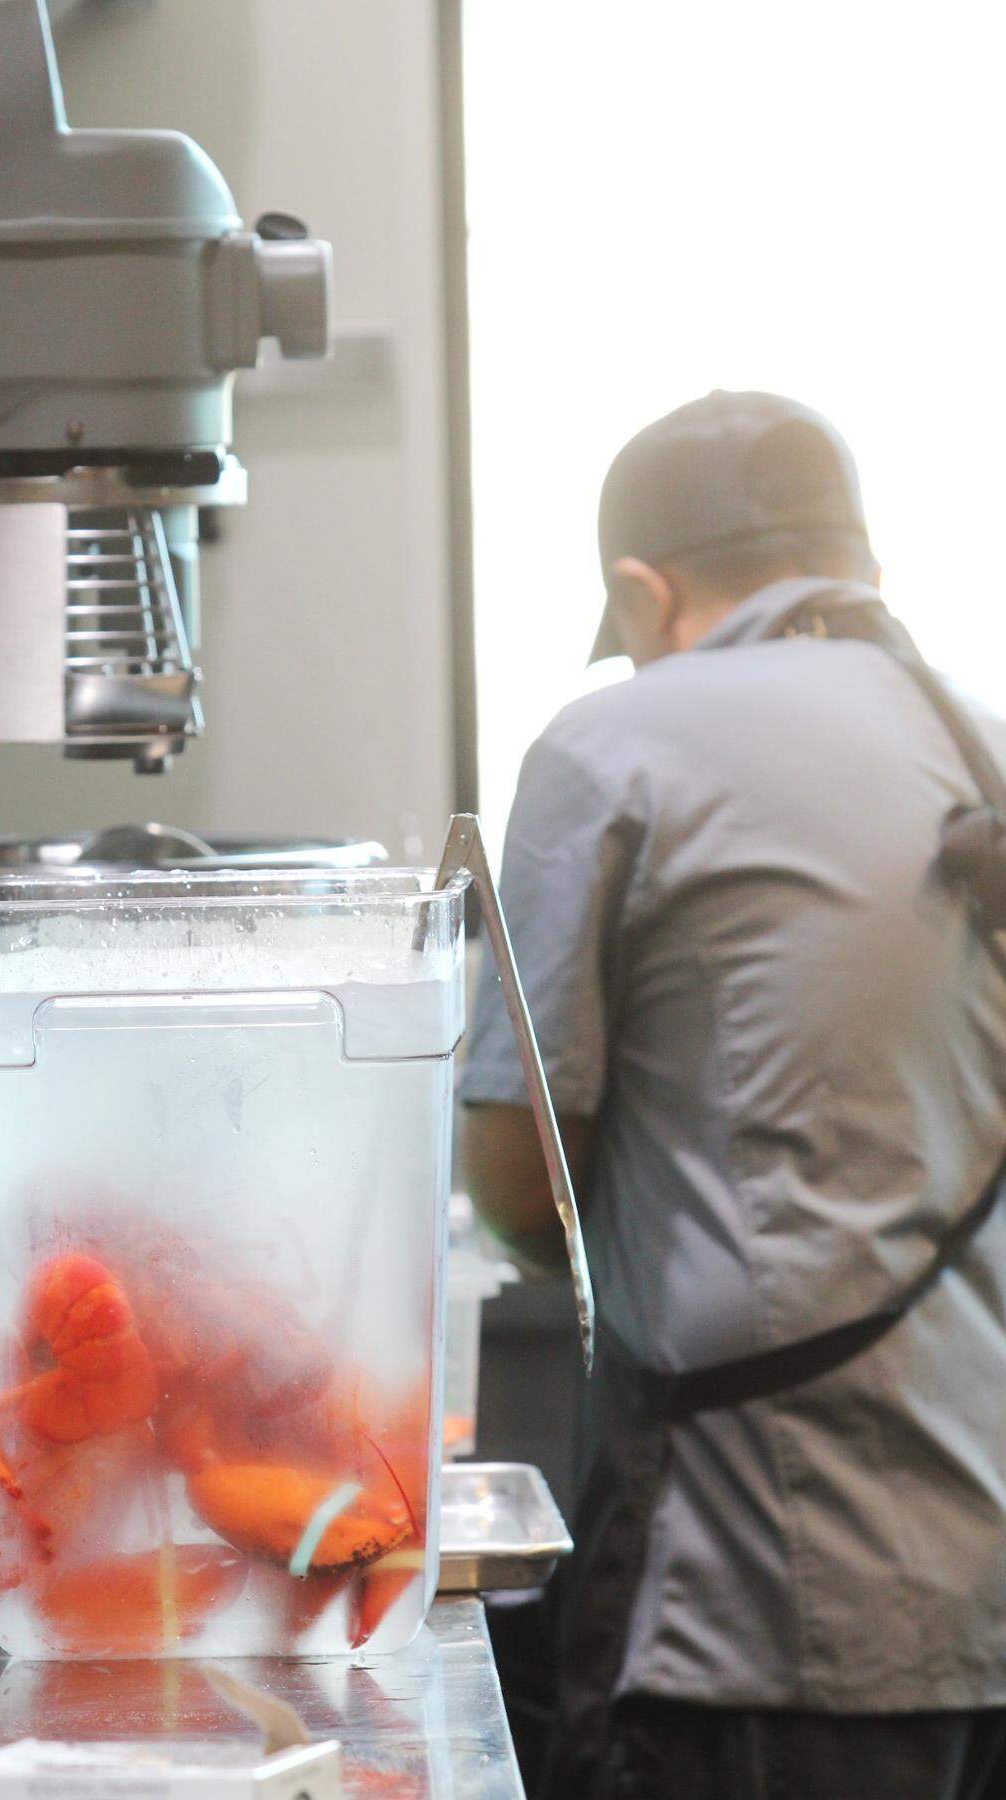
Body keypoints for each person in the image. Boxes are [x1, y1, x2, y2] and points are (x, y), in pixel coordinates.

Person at [460, 391, 1006, 1800]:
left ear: (647, 592)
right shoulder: (978, 742)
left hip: (761, 1594)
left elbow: (522, 1183)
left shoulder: (614, 749)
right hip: (980, 1586)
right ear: (857, 569)